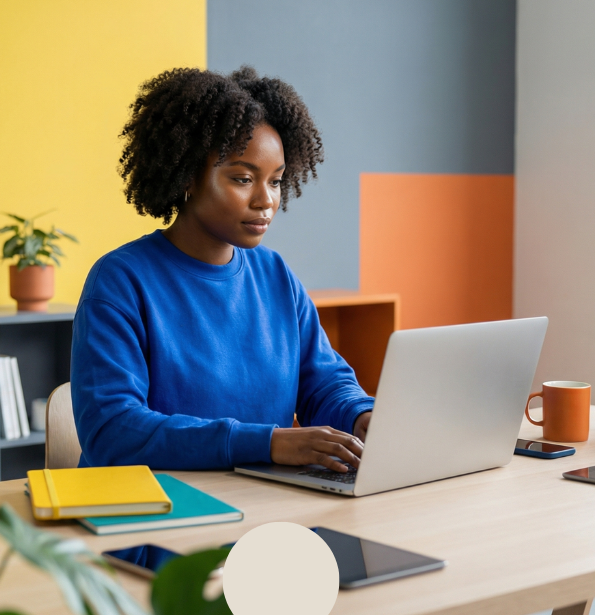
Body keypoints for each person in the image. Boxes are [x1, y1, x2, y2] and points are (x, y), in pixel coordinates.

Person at [70, 66, 373, 473]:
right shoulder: (121, 282)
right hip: (164, 520)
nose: (266, 200)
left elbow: (323, 383)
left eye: (277, 181)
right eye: (244, 178)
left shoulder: (275, 276)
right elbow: (113, 431)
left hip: (264, 517)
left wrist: (363, 418)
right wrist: (266, 443)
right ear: (189, 175)